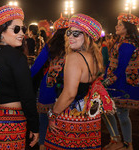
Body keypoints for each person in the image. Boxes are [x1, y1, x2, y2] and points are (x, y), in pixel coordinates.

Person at [0, 5, 39, 149]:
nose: (22, 33)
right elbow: (27, 95)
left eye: (23, 28)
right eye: (16, 29)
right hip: (10, 123)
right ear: (1, 32)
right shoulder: (17, 57)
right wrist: (35, 126)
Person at [44, 14, 104, 149]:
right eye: (69, 32)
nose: (70, 36)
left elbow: (70, 93)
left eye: (76, 33)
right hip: (90, 117)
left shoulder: (74, 57)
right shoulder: (95, 56)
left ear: (87, 37)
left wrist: (53, 114)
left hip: (71, 118)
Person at [31, 16, 69, 150]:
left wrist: (24, 78)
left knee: (44, 119)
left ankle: (42, 145)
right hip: (68, 86)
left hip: (49, 85)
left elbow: (36, 67)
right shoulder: (75, 46)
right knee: (64, 119)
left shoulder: (50, 45)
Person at [102, 13, 139, 150]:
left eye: (120, 25)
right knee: (109, 112)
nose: (116, 26)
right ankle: (117, 140)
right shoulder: (121, 42)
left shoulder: (127, 45)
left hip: (121, 85)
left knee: (121, 114)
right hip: (117, 83)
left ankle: (127, 144)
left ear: (127, 28)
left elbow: (121, 68)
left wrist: (106, 82)